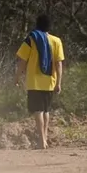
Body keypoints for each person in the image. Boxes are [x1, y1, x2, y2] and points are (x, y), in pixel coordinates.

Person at [14, 13, 65, 149]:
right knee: (46, 110)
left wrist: (17, 77)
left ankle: (41, 141)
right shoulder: (57, 41)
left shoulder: (32, 39)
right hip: (50, 81)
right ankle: (45, 139)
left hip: (34, 80)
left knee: (38, 111)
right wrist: (58, 82)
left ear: (37, 24)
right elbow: (59, 64)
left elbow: (22, 61)